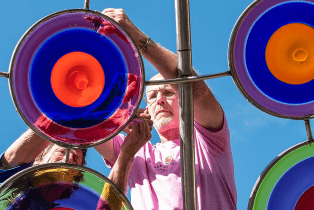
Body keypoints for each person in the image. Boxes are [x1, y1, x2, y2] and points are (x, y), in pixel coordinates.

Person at [95, 8, 238, 210]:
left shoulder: (209, 141)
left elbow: (192, 87)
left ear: (184, 101)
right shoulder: (137, 148)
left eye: (168, 93)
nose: (159, 100)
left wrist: (135, 37)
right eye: (152, 97)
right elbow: (86, 128)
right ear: (147, 110)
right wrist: (118, 117)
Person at [0, 129, 86, 210]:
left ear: (74, 182)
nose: (69, 160)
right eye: (61, 152)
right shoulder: (9, 177)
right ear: (38, 159)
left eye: (75, 161)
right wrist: (66, 111)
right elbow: (19, 153)